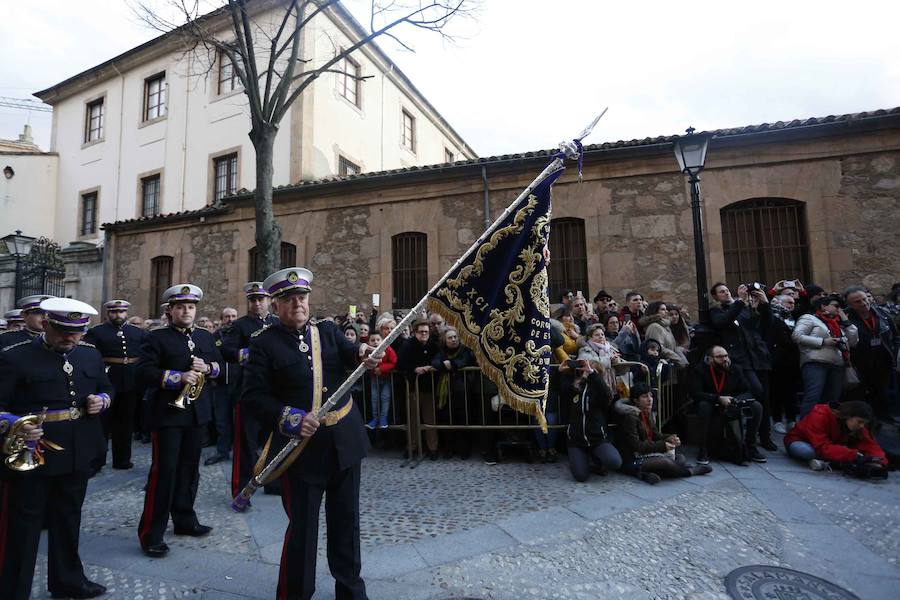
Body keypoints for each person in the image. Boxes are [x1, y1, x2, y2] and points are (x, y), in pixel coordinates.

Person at [241, 267, 379, 600]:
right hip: (301, 452)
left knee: (346, 525)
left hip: (344, 442)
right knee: (303, 530)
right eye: (288, 300)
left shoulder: (328, 332)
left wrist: (366, 355)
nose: (297, 304)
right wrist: (288, 419)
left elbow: (354, 357)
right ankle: (295, 594)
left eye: (301, 298)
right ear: (275, 306)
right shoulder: (264, 345)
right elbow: (252, 397)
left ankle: (351, 592)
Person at [0, 298, 112, 599]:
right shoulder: (14, 357)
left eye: (77, 332)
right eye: (63, 330)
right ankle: (14, 589)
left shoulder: (89, 354)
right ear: (46, 323)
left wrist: (102, 400)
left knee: (68, 517)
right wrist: (15, 423)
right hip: (32, 454)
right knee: (24, 525)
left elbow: (106, 388)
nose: (70, 338)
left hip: (77, 451)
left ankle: (68, 580)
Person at [136, 284, 222, 558]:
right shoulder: (157, 338)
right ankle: (151, 533)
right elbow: (144, 371)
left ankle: (185, 520)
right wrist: (177, 377)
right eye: (181, 307)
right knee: (165, 473)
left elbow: (219, 366)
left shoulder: (205, 338)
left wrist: (207, 368)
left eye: (191, 307)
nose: (186, 311)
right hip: (168, 415)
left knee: (189, 471)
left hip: (197, 414)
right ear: (170, 310)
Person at [222, 282, 280, 499]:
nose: (257, 303)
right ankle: (241, 490)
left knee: (274, 440)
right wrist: (243, 353)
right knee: (245, 444)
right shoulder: (240, 325)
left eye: (261, 299)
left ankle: (274, 483)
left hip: (274, 391)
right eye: (253, 300)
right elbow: (226, 349)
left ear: (268, 301)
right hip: (248, 390)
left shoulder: (277, 322)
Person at [709, 282, 776, 451]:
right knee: (756, 390)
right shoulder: (718, 311)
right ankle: (747, 437)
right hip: (741, 360)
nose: (726, 293)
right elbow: (722, 322)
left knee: (765, 399)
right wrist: (740, 302)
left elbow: (764, 326)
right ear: (716, 297)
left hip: (758, 358)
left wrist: (765, 304)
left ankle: (765, 436)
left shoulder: (744, 309)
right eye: (722, 292)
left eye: (727, 290)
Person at [84, 299, 148, 470]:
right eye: (114, 312)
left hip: (131, 383)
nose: (118, 315)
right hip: (107, 381)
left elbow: (145, 355)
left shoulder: (137, 332)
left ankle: (122, 460)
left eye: (121, 312)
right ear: (108, 314)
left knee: (126, 424)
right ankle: (97, 461)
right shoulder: (97, 332)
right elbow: (89, 356)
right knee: (102, 424)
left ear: (126, 313)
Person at [615, 383, 711, 484]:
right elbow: (636, 446)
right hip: (632, 458)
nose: (649, 399)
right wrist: (662, 445)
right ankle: (689, 471)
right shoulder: (630, 418)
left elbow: (655, 434)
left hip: (645, 452)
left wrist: (669, 438)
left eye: (650, 395)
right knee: (664, 462)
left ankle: (644, 474)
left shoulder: (647, 412)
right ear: (635, 400)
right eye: (644, 396)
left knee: (680, 458)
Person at [689, 346, 766, 465]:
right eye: (719, 357)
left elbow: (747, 390)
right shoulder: (700, 370)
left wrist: (736, 400)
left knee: (757, 407)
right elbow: (696, 393)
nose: (724, 359)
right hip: (711, 401)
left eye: (726, 356)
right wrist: (718, 399)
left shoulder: (735, 369)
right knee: (703, 406)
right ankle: (703, 449)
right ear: (710, 359)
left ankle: (750, 446)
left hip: (732, 402)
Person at [792, 294, 858, 418]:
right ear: (823, 306)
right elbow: (797, 336)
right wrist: (823, 342)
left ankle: (826, 427)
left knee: (832, 400)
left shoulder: (839, 324)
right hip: (816, 362)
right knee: (813, 396)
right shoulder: (809, 318)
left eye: (841, 307)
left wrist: (846, 321)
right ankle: (805, 428)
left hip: (837, 364)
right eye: (836, 306)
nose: (839, 309)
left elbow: (853, 341)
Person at [784, 401, 887, 472]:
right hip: (801, 441)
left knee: (854, 451)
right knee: (807, 452)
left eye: (864, 423)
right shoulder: (820, 415)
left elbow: (871, 445)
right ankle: (831, 461)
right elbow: (822, 446)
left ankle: (828, 461)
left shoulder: (857, 424)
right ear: (848, 416)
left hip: (827, 445)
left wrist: (879, 461)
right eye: (860, 422)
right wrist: (853, 455)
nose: (861, 426)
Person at [844, 286, 896, 422]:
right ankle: (863, 419)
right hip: (859, 360)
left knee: (882, 389)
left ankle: (884, 416)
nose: (863, 303)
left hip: (882, 358)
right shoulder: (845, 317)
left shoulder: (882, 313)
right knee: (860, 391)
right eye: (858, 301)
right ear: (849, 305)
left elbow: (894, 335)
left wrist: (894, 352)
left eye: (865, 299)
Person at [566, 358, 622, 481]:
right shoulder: (576, 388)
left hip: (597, 439)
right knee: (581, 476)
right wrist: (561, 372)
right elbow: (560, 389)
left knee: (614, 462)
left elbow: (607, 395)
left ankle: (595, 458)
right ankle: (584, 459)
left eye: (591, 369)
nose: (587, 371)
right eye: (585, 369)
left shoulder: (601, 391)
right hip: (577, 440)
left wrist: (592, 375)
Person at [396, 318, 439, 459]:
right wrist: (415, 369)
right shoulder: (408, 345)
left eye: (426, 332)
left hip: (429, 387)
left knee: (430, 419)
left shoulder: (433, 345)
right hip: (412, 387)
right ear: (415, 332)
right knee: (413, 419)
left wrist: (431, 366)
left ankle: (433, 448)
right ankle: (412, 447)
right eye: (421, 332)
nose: (424, 334)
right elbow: (400, 363)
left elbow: (439, 359)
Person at [204, 306, 239, 465]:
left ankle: (241, 453)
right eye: (227, 317)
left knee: (240, 421)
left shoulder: (241, 336)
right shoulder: (213, 336)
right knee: (221, 420)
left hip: (239, 385)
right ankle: (222, 451)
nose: (230, 319)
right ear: (221, 319)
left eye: (233, 316)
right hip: (220, 385)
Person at [767, 294, 801, 433]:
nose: (791, 305)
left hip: (792, 360)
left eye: (793, 302)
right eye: (788, 302)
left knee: (791, 391)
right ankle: (777, 419)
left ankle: (791, 419)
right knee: (776, 391)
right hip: (776, 360)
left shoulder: (795, 318)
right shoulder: (772, 317)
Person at [364, 331, 397, 429]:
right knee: (374, 399)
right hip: (374, 379)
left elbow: (393, 362)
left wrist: (381, 368)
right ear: (368, 342)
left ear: (382, 340)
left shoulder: (387, 348)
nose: (375, 342)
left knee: (385, 398)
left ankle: (383, 418)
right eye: (372, 340)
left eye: (378, 340)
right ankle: (375, 418)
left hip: (386, 378)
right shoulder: (367, 351)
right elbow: (363, 361)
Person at [641, 302, 688, 368]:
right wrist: (677, 359)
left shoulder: (665, 326)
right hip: (662, 365)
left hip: (671, 364)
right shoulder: (654, 327)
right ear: (655, 312)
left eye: (666, 309)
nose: (666, 311)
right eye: (663, 309)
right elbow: (658, 348)